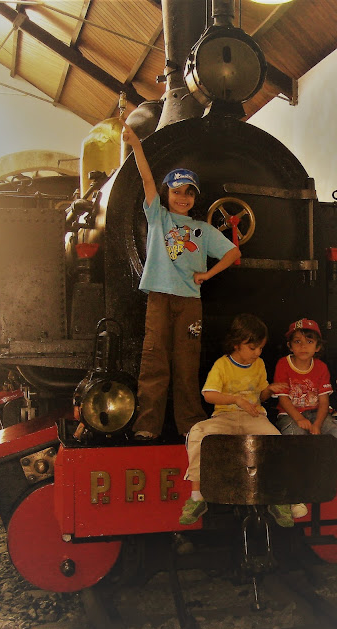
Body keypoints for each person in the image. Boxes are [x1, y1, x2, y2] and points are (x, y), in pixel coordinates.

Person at [122, 122, 241, 440]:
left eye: (189, 193)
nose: (182, 198)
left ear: (195, 197)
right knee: (154, 361)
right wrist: (136, 144)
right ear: (167, 194)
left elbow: (232, 253)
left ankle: (190, 424)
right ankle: (147, 425)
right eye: (177, 192)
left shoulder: (203, 230)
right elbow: (147, 179)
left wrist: (207, 274)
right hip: (160, 298)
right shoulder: (158, 217)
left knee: (187, 363)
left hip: (190, 303)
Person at [179, 313, 308, 528]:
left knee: (276, 439)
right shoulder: (222, 365)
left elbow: (260, 396)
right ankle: (197, 497)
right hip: (225, 417)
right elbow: (209, 395)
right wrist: (236, 400)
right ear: (237, 344)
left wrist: (269, 389)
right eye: (253, 348)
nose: (257, 353)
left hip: (253, 417)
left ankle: (279, 498)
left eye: (260, 348)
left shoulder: (259, 365)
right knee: (198, 433)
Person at [273, 318, 337, 499]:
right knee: (295, 438)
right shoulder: (283, 364)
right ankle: (296, 491)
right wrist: (299, 419)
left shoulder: (321, 368)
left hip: (317, 414)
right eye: (297, 341)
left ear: (318, 347)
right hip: (290, 415)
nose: (303, 346)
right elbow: (283, 399)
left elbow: (323, 402)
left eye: (309, 341)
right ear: (290, 346)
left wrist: (318, 424)